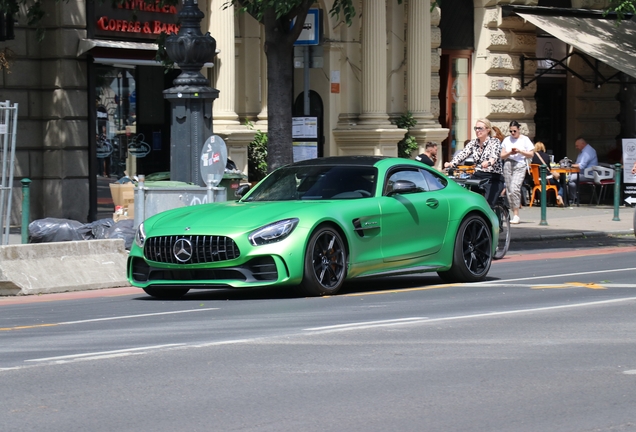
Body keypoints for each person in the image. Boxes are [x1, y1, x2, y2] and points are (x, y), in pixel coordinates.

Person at [444, 118, 504, 207]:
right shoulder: (473, 143)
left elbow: (494, 155)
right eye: (475, 128)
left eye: (480, 128)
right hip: (479, 175)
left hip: (493, 176)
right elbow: (463, 154)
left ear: (488, 130)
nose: (477, 130)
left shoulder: (494, 142)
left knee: (488, 205)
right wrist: (451, 163)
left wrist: (489, 162)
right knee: (472, 202)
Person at [500, 121, 534, 224]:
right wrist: (510, 152)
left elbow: (531, 154)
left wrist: (520, 151)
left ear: (519, 130)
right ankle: (513, 211)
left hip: (520, 164)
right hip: (508, 164)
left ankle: (516, 214)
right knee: (509, 189)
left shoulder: (525, 139)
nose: (513, 133)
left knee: (515, 188)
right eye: (511, 131)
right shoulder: (507, 139)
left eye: (514, 131)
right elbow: (502, 155)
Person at [531, 141, 564, 206]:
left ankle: (537, 200)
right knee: (560, 184)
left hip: (536, 180)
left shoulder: (532, 156)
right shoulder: (546, 156)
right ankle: (559, 195)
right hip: (547, 180)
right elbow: (549, 168)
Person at [568, 137, 598, 204]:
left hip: (589, 175)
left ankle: (574, 199)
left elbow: (581, 166)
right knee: (568, 177)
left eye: (577, 145)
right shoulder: (583, 151)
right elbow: (578, 164)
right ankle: (574, 197)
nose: (576, 147)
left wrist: (569, 165)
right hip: (583, 173)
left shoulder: (587, 152)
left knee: (570, 179)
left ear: (583, 144)